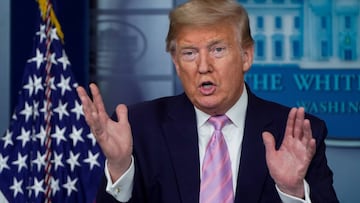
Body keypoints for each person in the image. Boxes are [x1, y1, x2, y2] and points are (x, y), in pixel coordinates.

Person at [77, 0, 339, 202]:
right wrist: (120, 167)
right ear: (177, 65)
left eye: (217, 50)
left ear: (246, 56)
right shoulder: (140, 127)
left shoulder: (297, 133)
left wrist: (292, 190)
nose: (203, 66)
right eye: (189, 53)